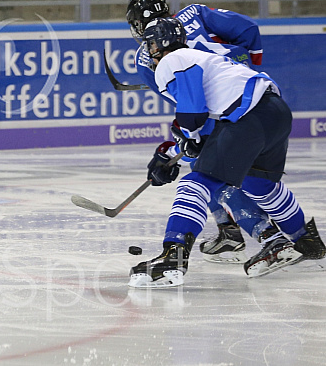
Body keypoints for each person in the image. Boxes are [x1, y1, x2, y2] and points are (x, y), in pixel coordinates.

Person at [128, 17, 326, 288]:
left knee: (196, 183)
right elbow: (209, 130)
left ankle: (172, 256)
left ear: (161, 43)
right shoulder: (204, 57)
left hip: (247, 118)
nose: (149, 50)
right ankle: (306, 240)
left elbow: (193, 115)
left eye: (150, 43)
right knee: (260, 184)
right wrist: (180, 150)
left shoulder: (171, 61)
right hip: (274, 111)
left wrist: (187, 141)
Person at [126, 0, 278, 269]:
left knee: (205, 168)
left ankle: (261, 235)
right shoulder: (194, 13)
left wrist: (183, 138)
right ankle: (259, 232)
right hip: (252, 96)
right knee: (247, 173)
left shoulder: (145, 58)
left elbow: (185, 103)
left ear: (136, 25)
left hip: (210, 113)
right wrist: (247, 69)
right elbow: (248, 30)